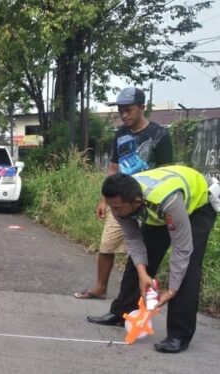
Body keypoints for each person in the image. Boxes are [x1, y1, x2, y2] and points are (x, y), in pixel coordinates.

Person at [88, 166, 215, 353]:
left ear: (136, 202)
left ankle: (179, 336)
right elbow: (133, 239)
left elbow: (182, 249)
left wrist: (171, 290)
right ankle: (121, 312)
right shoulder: (120, 201)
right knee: (138, 261)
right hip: (157, 207)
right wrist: (142, 273)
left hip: (197, 207)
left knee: (187, 267)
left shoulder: (167, 201)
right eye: (111, 206)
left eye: (117, 208)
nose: (114, 211)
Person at [75, 87, 173, 300]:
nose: (124, 115)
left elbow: (168, 172)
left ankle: (141, 295)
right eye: (121, 111)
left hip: (148, 202)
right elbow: (113, 168)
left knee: (142, 251)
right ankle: (100, 288)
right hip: (120, 200)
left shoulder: (159, 135)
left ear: (142, 107)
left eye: (129, 110)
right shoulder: (120, 134)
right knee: (106, 244)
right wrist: (104, 200)